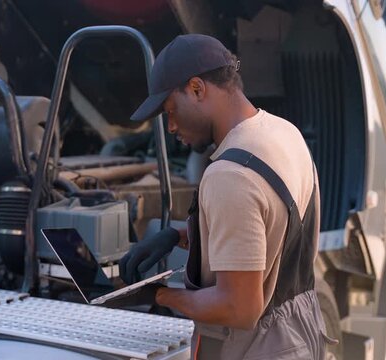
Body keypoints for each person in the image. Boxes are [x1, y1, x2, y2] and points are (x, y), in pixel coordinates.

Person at [116, 34, 334, 359]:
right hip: (300, 334)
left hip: (257, 349)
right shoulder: (283, 133)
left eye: (171, 111)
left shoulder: (229, 175)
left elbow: (238, 308)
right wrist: (179, 235)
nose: (171, 127)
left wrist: (158, 296)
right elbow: (274, 232)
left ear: (197, 88)